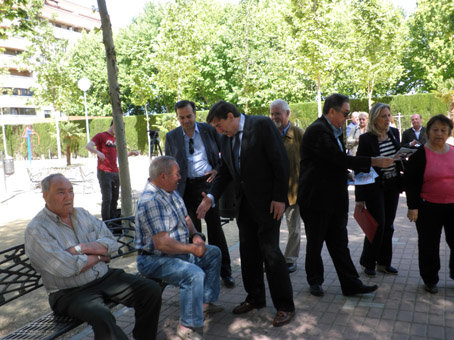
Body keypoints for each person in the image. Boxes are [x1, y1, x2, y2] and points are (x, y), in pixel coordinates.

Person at [24, 174, 162, 340]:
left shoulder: (82, 214)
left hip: (103, 277)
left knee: (151, 290)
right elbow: (66, 267)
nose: (68, 197)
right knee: (102, 316)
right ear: (45, 195)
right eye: (61, 192)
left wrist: (82, 248)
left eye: (71, 191)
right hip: (69, 292)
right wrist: (98, 257)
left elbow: (111, 242)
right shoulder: (37, 229)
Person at [196, 101, 295, 327]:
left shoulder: (261, 125)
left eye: (220, 126)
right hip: (244, 206)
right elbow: (224, 172)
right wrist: (210, 198)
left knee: (270, 253)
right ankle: (255, 298)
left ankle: (285, 306)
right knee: (248, 253)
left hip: (269, 204)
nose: (218, 132)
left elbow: (280, 162)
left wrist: (280, 198)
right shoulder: (225, 137)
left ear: (231, 116)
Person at [297, 93, 395, 297]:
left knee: (339, 244)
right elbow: (337, 158)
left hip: (334, 199)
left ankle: (350, 284)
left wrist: (346, 173)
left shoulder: (335, 129)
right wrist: (374, 161)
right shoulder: (317, 130)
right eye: (345, 113)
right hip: (315, 200)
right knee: (315, 243)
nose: (347, 116)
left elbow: (330, 162)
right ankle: (315, 281)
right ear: (331, 111)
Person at [135, 156, 222, 340]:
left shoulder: (170, 191)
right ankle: (186, 326)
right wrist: (191, 249)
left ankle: (204, 304)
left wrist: (197, 236)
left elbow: (187, 219)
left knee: (213, 253)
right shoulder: (150, 200)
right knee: (193, 274)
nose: (180, 177)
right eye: (177, 174)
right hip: (154, 259)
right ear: (163, 176)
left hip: (175, 253)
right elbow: (162, 244)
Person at [165, 100, 234, 288]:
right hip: (185, 188)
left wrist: (217, 171)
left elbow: (225, 154)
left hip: (208, 185)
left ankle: (225, 272)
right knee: (193, 232)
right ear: (177, 117)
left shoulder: (208, 130)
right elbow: (168, 164)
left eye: (189, 116)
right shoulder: (172, 137)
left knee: (216, 229)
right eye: (181, 117)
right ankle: (197, 274)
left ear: (195, 114)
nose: (186, 120)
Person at [405, 114, 454, 294]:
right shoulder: (420, 155)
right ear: (428, 132)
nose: (439, 133)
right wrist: (412, 207)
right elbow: (411, 183)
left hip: (453, 206)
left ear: (449, 132)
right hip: (428, 207)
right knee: (429, 245)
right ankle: (430, 279)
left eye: (443, 130)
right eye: (435, 130)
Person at [355, 103, 402, 277]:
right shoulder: (367, 139)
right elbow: (360, 168)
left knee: (388, 226)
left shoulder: (394, 134)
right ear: (375, 118)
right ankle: (368, 261)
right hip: (375, 188)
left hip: (393, 185)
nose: (387, 119)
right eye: (384, 116)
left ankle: (384, 263)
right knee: (378, 225)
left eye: (389, 115)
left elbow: (397, 156)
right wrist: (359, 198)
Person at [269, 99, 304, 273]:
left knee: (294, 229)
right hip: (272, 193)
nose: (274, 117)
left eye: (278, 113)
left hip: (293, 192)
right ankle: (272, 259)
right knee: (271, 229)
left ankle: (290, 259)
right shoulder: (268, 134)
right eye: (272, 113)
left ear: (287, 114)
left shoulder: (298, 134)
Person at [86, 121, 138, 221]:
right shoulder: (101, 136)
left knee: (115, 199)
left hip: (115, 172)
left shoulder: (116, 139)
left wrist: (130, 153)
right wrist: (98, 152)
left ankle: (113, 222)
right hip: (104, 172)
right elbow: (88, 146)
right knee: (107, 198)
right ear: (114, 125)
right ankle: (106, 224)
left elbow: (117, 155)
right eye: (119, 128)